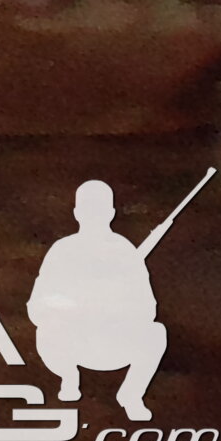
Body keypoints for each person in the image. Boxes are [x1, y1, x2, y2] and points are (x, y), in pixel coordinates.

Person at [31, 178, 172, 422]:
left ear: (111, 213)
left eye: (98, 210)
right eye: (87, 210)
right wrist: (73, 307)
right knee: (46, 331)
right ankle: (68, 377)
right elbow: (37, 306)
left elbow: (148, 308)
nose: (93, 216)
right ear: (77, 213)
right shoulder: (62, 250)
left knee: (156, 334)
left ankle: (131, 394)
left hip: (114, 341)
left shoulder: (125, 251)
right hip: (71, 342)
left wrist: (116, 305)